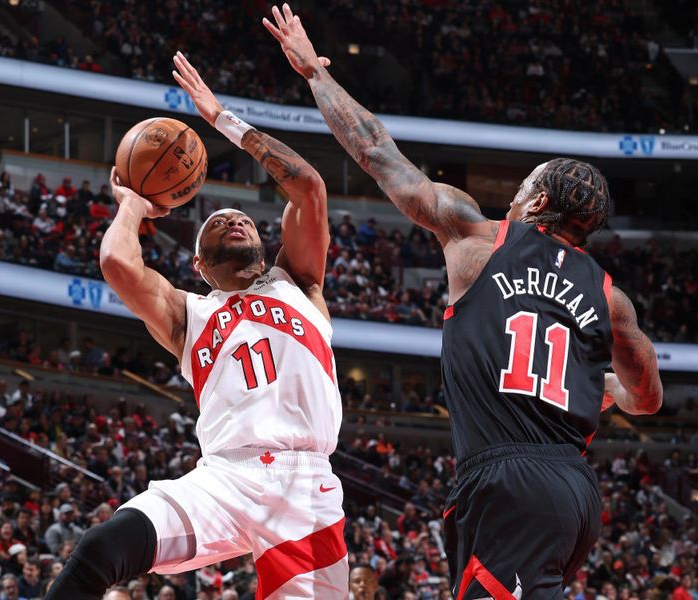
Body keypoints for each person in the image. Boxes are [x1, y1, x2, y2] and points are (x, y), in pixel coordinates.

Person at [264, 5, 663, 598]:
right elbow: (649, 398)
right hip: (577, 494)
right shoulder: (612, 299)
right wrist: (606, 389)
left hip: (509, 482)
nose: (516, 193)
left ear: (534, 201)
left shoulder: (476, 239)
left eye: (524, 184)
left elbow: (377, 151)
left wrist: (315, 74)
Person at [47, 51, 346, 600]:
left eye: (241, 218)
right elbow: (117, 263)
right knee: (99, 549)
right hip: (224, 477)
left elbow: (307, 186)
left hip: (307, 486)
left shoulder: (299, 283)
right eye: (217, 223)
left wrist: (221, 120)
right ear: (199, 266)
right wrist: (133, 203)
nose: (233, 219)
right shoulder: (190, 312)